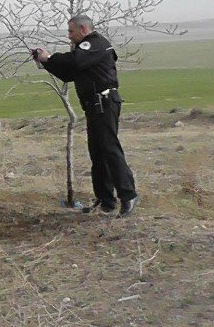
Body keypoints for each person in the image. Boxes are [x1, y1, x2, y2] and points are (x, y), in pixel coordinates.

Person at [34, 15, 139, 216]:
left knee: (109, 149)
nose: (69, 36)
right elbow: (68, 73)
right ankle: (106, 200)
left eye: (71, 31)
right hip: (94, 106)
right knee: (97, 153)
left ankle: (129, 195)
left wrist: (49, 57)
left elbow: (74, 62)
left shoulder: (95, 44)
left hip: (104, 103)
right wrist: (46, 63)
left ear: (83, 29)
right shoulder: (85, 51)